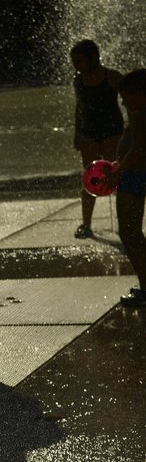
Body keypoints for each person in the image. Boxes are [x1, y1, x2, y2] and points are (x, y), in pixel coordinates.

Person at [70, 40, 125, 239]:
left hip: (112, 133)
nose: (76, 65)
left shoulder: (111, 76)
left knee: (116, 177)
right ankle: (86, 224)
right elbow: (79, 108)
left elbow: (131, 98)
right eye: (73, 61)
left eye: (79, 60)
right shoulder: (78, 79)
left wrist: (133, 129)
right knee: (88, 178)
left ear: (94, 58)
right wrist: (77, 133)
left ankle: (124, 222)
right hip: (89, 134)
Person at [107, 69, 146, 308]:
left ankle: (145, 287)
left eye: (126, 95)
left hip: (134, 176)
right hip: (134, 173)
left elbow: (140, 150)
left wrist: (117, 171)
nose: (122, 101)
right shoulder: (138, 112)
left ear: (141, 93)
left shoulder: (140, 112)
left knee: (129, 233)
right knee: (133, 233)